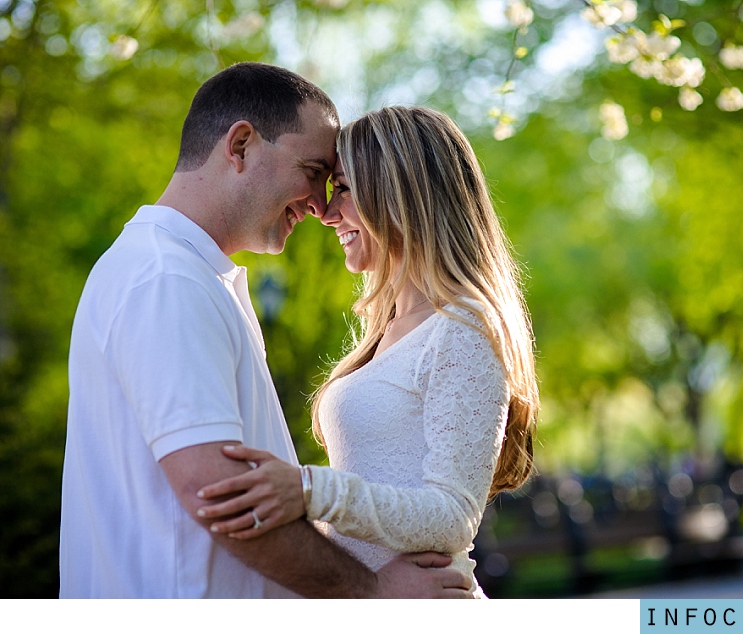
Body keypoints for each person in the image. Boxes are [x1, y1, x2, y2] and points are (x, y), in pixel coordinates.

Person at [60, 63, 470, 598]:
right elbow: (220, 494)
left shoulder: (190, 275)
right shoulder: (166, 279)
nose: (322, 206)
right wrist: (370, 594)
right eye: (313, 170)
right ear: (241, 146)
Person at [195, 106, 540, 597]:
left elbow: (452, 518)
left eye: (344, 190)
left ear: (403, 194)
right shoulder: (385, 334)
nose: (327, 213)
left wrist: (309, 490)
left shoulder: (463, 330)